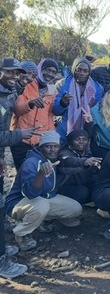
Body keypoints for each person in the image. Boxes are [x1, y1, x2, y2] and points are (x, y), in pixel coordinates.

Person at [5, 131, 83, 252]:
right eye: (48, 146)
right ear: (41, 147)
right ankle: (22, 234)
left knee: (75, 208)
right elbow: (30, 193)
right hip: (19, 203)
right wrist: (41, 174)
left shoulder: (54, 159)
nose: (52, 150)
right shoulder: (31, 163)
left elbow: (70, 162)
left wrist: (86, 162)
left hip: (44, 198)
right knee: (41, 204)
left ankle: (40, 221)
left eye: (55, 146)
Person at [0, 58, 37, 278]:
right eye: (9, 72)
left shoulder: (9, 93)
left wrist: (30, 104)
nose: (14, 76)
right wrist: (19, 135)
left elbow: (15, 110)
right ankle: (2, 261)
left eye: (17, 73)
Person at [11, 58, 60, 170]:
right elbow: (17, 110)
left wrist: (62, 104)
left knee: (37, 173)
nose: (50, 74)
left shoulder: (52, 88)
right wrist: (30, 104)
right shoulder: (26, 83)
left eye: (53, 72)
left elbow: (50, 114)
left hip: (40, 142)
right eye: (47, 70)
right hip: (21, 139)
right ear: (40, 69)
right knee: (23, 172)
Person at [53, 57, 104, 146]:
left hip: (85, 132)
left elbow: (97, 114)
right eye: (79, 70)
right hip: (64, 130)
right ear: (73, 70)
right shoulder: (63, 84)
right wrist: (62, 103)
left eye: (85, 71)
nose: (81, 73)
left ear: (89, 73)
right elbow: (55, 111)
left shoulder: (97, 89)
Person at [58, 129, 102, 205]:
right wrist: (84, 162)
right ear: (71, 141)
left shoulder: (88, 153)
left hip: (83, 185)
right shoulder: (64, 153)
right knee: (82, 192)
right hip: (65, 187)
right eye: (77, 139)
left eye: (84, 139)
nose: (81, 142)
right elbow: (69, 160)